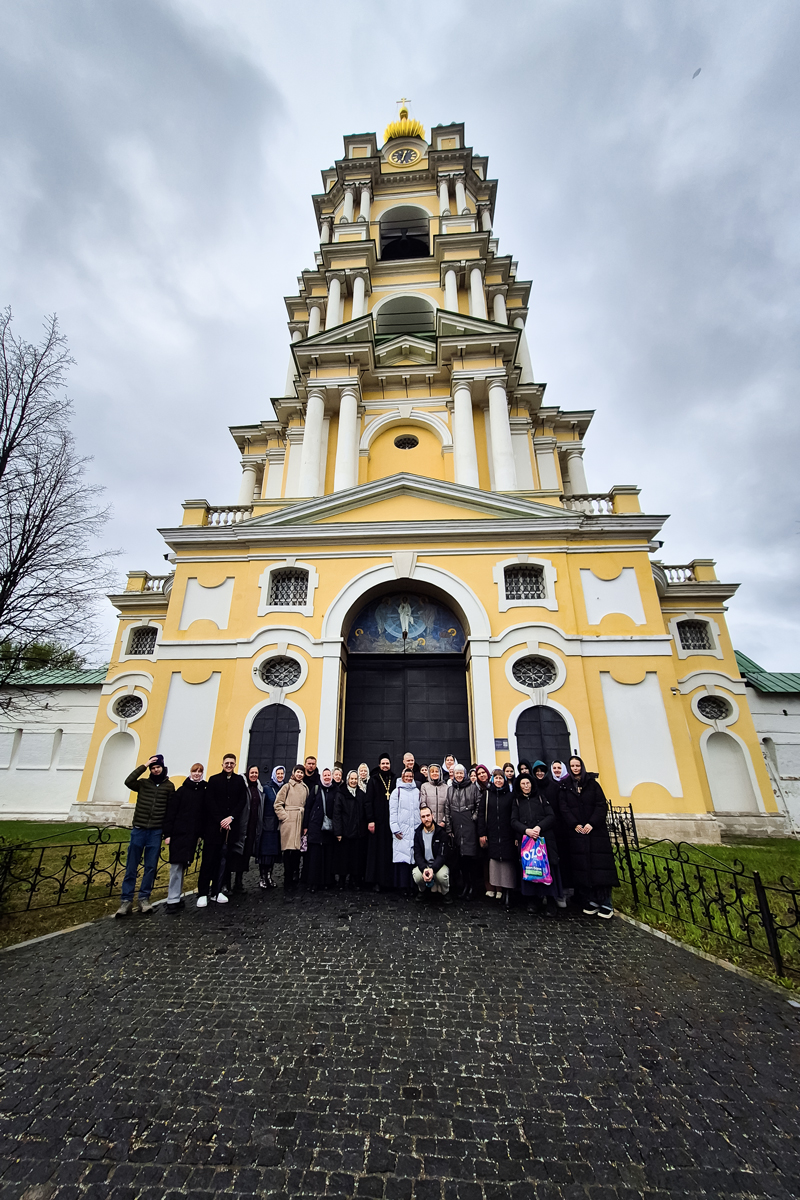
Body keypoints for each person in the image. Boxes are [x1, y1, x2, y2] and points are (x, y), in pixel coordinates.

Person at [116, 754, 175, 917]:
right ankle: (126, 900)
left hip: (155, 831)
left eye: (158, 767)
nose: (155, 770)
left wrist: (167, 832)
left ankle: (144, 898)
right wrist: (144, 765)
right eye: (153, 768)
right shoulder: (143, 784)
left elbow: (170, 810)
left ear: (163, 768)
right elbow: (128, 781)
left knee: (150, 867)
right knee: (131, 866)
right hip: (139, 829)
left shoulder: (169, 786)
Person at [558, 756, 618, 918]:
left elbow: (601, 805)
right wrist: (574, 823)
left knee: (600, 868)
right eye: (572, 766)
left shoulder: (592, 784)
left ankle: (606, 903)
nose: (575, 768)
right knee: (583, 868)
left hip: (595, 833)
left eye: (577, 765)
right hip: (577, 833)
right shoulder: (565, 786)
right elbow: (564, 807)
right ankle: (591, 900)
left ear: (582, 766)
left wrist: (592, 823)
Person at [197, 753, 247, 906]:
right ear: (222, 764)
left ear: (235, 764)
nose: (229, 765)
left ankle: (218, 891)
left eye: (232, 763)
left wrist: (231, 817)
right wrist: (221, 819)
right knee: (208, 860)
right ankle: (203, 892)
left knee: (224, 861)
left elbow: (242, 801)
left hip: (230, 827)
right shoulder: (214, 780)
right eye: (227, 763)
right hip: (214, 828)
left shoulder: (239, 780)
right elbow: (210, 802)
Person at [511, 773, 562, 916]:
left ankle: (551, 901)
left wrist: (539, 827)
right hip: (528, 841)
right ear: (519, 786)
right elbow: (513, 821)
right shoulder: (517, 801)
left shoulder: (541, 798)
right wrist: (526, 830)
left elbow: (551, 816)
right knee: (531, 869)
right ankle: (533, 901)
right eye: (523, 784)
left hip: (544, 839)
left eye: (528, 783)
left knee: (547, 869)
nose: (526, 786)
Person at [162, 761, 206, 914]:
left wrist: (201, 834)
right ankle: (172, 899)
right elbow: (171, 813)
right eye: (195, 771)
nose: (197, 774)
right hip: (179, 833)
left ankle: (177, 897)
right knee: (176, 866)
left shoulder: (204, 791)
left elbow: (203, 815)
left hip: (192, 835)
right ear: (190, 772)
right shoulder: (181, 791)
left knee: (184, 865)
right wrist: (168, 834)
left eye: (199, 771)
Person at [477, 767, 517, 909]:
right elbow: (481, 815)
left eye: (501, 778)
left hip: (507, 834)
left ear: (504, 780)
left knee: (508, 863)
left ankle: (507, 892)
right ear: (492, 780)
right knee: (495, 863)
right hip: (493, 833)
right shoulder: (488, 795)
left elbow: (515, 815)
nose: (498, 781)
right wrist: (482, 833)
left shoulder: (511, 796)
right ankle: (499, 889)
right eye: (496, 778)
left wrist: (516, 835)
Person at [226, 765, 264, 894]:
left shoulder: (258, 789)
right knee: (234, 854)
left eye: (256, 773)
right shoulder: (243, 787)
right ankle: (226, 883)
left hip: (252, 827)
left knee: (245, 856)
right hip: (241, 826)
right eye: (252, 773)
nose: (254, 775)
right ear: (247, 773)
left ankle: (238, 882)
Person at [444, 764, 480, 900]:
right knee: (461, 859)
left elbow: (479, 804)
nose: (459, 775)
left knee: (471, 859)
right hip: (456, 828)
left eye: (461, 773)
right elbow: (447, 809)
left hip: (469, 827)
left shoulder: (472, 787)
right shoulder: (450, 789)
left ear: (464, 774)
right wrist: (449, 829)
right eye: (457, 773)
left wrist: (473, 817)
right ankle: (465, 885)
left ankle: (472, 887)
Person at [274, 764, 308, 899]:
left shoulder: (305, 788)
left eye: (301, 773)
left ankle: (295, 876)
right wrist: (284, 817)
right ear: (294, 773)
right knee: (288, 851)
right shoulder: (286, 786)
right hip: (289, 822)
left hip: (300, 820)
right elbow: (278, 803)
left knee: (297, 852)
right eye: (297, 772)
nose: (299, 774)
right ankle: (287, 878)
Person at [304, 766, 338, 892]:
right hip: (315, 827)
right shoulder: (316, 789)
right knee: (315, 857)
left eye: (329, 775)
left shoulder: (336, 790)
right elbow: (308, 807)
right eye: (325, 775)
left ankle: (327, 881)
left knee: (328, 856)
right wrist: (305, 826)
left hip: (329, 829)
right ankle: (313, 882)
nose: (327, 777)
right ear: (322, 777)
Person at [364, 755, 396, 891]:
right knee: (376, 852)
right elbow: (368, 802)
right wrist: (370, 820)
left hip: (390, 822)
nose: (385, 766)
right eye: (383, 763)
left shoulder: (394, 779)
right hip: (377, 822)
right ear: (379, 765)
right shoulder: (373, 780)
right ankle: (375, 881)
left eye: (387, 763)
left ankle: (388, 881)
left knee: (388, 851)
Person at [334, 769, 368, 889]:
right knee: (343, 858)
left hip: (358, 832)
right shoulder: (341, 794)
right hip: (345, 832)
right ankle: (342, 880)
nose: (353, 781)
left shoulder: (361, 794)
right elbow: (337, 814)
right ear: (347, 779)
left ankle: (355, 880)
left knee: (356, 858)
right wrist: (338, 832)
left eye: (355, 779)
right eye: (351, 779)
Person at [389, 766, 420, 892]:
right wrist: (395, 828)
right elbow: (393, 811)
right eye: (406, 776)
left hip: (414, 828)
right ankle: (403, 886)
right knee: (402, 857)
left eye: (410, 776)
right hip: (401, 830)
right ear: (402, 777)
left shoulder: (417, 791)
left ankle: (412, 886)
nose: (408, 778)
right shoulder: (396, 792)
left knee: (413, 857)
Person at [412, 805, 451, 903]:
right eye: (423, 817)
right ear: (420, 819)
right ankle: (422, 891)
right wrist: (424, 869)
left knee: (442, 876)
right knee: (416, 874)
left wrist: (432, 869)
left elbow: (442, 855)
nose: (426, 819)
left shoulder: (441, 833)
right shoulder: (418, 833)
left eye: (428, 815)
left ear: (432, 816)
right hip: (425, 865)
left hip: (439, 865)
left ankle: (445, 892)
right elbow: (417, 855)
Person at [258, 766, 284, 888]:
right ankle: (262, 877)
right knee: (265, 853)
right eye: (278, 773)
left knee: (273, 853)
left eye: (282, 774)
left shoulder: (284, 788)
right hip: (267, 824)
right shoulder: (267, 788)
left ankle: (269, 876)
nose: (280, 776)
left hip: (278, 825)